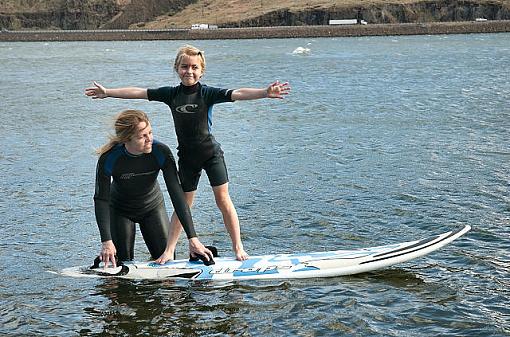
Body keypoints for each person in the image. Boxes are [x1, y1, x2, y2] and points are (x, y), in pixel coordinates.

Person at [85, 44, 291, 263]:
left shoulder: (208, 93)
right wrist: (108, 93)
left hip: (211, 155)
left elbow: (237, 93)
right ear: (177, 68)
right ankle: (169, 250)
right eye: (184, 67)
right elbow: (139, 92)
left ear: (201, 71)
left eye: (194, 67)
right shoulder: (171, 94)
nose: (189, 71)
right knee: (183, 204)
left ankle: (238, 248)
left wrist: (264, 93)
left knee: (223, 200)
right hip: (187, 159)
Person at [94, 109, 212, 267]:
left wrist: (193, 238)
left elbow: (177, 195)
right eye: (142, 136)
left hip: (152, 208)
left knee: (167, 261)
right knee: (121, 264)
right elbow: (101, 199)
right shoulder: (109, 158)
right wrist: (106, 241)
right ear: (126, 139)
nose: (149, 139)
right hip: (120, 211)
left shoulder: (160, 152)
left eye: (150, 132)